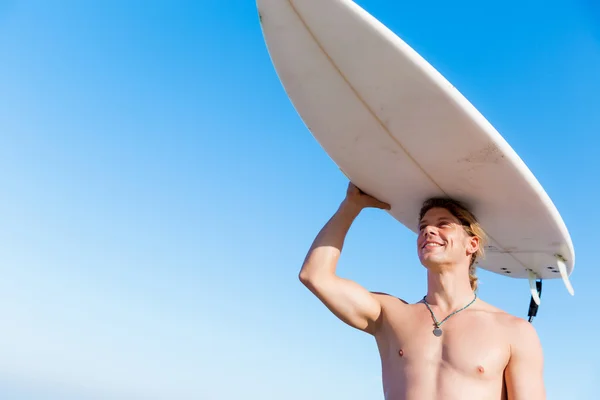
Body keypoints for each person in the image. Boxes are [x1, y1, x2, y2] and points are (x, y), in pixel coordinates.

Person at [299, 182, 546, 400]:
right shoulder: (390, 315)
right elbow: (315, 275)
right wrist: (351, 205)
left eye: (443, 224)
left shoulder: (514, 331)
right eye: (423, 226)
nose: (428, 230)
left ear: (471, 244)